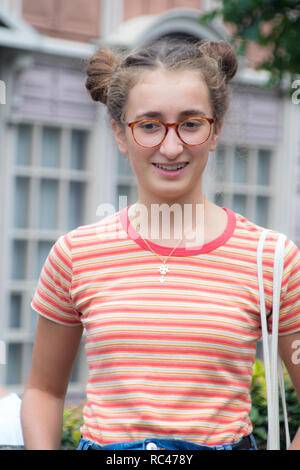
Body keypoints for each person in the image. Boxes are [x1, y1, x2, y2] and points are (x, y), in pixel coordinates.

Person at [21, 38, 300, 451]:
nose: (171, 148)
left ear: (215, 130)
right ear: (120, 132)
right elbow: (44, 391)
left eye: (190, 123)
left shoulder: (273, 259)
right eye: (149, 125)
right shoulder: (75, 255)